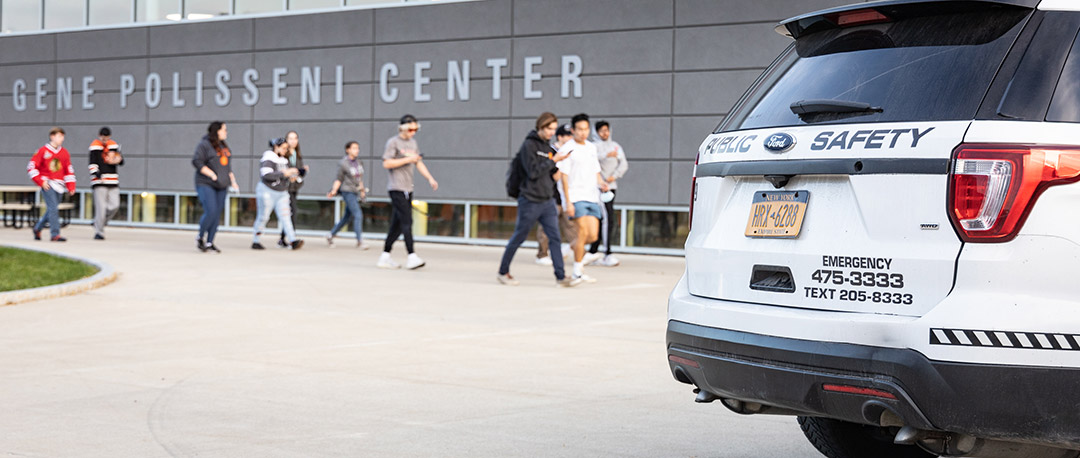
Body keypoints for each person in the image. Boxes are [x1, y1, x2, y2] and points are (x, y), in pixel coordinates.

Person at [496, 112, 581, 287]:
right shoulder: (529, 145)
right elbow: (533, 172)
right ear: (540, 127)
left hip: (547, 200)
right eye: (549, 128)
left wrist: (562, 164)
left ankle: (561, 277)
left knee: (555, 238)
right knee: (519, 236)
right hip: (530, 199)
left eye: (553, 129)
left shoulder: (548, 148)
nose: (552, 132)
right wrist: (554, 160)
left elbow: (550, 176)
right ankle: (503, 272)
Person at [377, 114, 438, 270]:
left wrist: (430, 178)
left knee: (397, 225)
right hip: (396, 188)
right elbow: (387, 163)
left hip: (408, 188)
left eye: (415, 129)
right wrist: (407, 160)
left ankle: (385, 256)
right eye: (410, 129)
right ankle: (411, 256)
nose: (413, 132)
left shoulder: (413, 143)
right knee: (407, 221)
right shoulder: (393, 142)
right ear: (403, 128)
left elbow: (418, 162)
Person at [557, 113, 609, 283]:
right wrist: (568, 201)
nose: (583, 133)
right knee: (582, 232)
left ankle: (569, 248)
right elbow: (563, 177)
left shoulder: (591, 147)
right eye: (579, 129)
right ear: (573, 130)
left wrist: (602, 183)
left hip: (592, 197)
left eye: (586, 129)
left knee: (593, 236)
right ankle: (577, 271)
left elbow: (596, 171)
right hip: (575, 196)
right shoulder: (567, 149)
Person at [192, 121, 238, 253]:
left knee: (217, 214)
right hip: (206, 183)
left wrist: (233, 181)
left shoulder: (224, 146)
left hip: (222, 185)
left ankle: (210, 242)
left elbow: (227, 167)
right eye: (224, 129)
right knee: (211, 211)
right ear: (217, 131)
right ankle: (200, 236)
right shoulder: (204, 144)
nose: (226, 132)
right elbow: (197, 161)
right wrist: (211, 174)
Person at [588, 120, 628, 267]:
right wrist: (605, 155)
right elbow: (590, 162)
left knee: (605, 219)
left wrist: (614, 176)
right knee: (604, 219)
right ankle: (604, 252)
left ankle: (595, 251)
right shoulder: (593, 147)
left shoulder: (616, 146)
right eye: (602, 131)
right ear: (596, 132)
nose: (605, 133)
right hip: (598, 187)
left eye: (607, 130)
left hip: (610, 187)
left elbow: (623, 163)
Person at [536, 123, 577, 265]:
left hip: (565, 197)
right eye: (567, 136)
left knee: (571, 226)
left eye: (571, 135)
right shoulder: (550, 151)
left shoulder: (571, 152)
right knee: (546, 227)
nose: (570, 138)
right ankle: (542, 254)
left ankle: (574, 252)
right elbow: (553, 175)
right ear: (560, 137)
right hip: (550, 195)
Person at [252, 137, 304, 250]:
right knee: (263, 217)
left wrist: (293, 175)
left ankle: (292, 240)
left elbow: (285, 175)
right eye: (284, 148)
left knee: (286, 216)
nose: (286, 150)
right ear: (276, 147)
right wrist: (284, 173)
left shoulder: (284, 160)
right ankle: (256, 240)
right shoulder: (268, 157)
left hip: (282, 192)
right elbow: (266, 175)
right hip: (267, 191)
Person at [27, 127, 76, 242]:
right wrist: (41, 181)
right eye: (59, 136)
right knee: (53, 209)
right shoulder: (42, 151)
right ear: (52, 136)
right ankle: (55, 234)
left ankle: (37, 228)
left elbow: (68, 170)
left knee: (51, 210)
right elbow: (31, 167)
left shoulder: (64, 153)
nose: (62, 139)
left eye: (63, 136)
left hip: (60, 185)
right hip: (47, 184)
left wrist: (71, 186)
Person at [326, 140, 369, 249]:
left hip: (355, 191)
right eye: (354, 148)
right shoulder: (343, 163)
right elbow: (339, 179)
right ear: (348, 150)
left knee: (347, 217)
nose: (357, 150)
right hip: (347, 191)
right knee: (358, 214)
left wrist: (362, 191)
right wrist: (333, 190)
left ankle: (331, 235)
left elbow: (359, 178)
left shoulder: (359, 162)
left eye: (357, 148)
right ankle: (360, 241)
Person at [88, 127, 124, 241]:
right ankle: (99, 232)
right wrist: (96, 174)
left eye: (107, 137)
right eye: (103, 137)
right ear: (99, 135)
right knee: (101, 208)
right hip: (100, 182)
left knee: (115, 206)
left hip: (113, 180)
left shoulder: (113, 145)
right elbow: (92, 162)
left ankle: (99, 222)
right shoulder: (94, 146)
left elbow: (121, 159)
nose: (105, 139)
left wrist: (117, 160)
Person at [278, 130, 308, 248]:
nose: (293, 141)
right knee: (292, 212)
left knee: (289, 213)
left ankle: (283, 239)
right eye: (290, 138)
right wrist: (289, 175)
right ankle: (291, 239)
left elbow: (299, 171)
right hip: (285, 188)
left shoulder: (297, 153)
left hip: (295, 187)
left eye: (295, 138)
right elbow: (281, 170)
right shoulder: (283, 153)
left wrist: (302, 171)